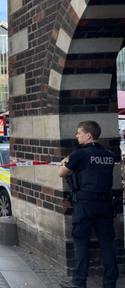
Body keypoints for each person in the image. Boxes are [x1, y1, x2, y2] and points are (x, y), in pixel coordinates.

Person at [58, 121, 118, 288]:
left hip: (85, 204)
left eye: (79, 133)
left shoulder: (79, 154)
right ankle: (110, 283)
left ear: (88, 135)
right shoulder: (109, 155)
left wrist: (65, 162)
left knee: (81, 243)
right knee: (107, 244)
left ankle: (78, 283)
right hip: (106, 204)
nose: (77, 136)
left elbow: (61, 173)